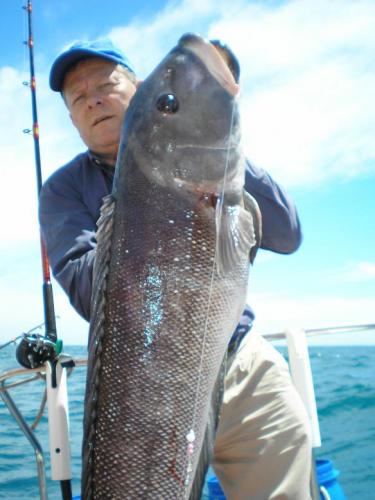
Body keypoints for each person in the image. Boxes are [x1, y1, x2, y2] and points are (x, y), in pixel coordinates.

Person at [39, 38, 312, 499]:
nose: (95, 101)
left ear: (138, 88)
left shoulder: (218, 163)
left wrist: (223, 150)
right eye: (79, 99)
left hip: (240, 356)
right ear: (71, 118)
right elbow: (88, 293)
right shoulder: (62, 190)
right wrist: (143, 207)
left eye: (106, 85)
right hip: (137, 387)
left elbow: (286, 234)